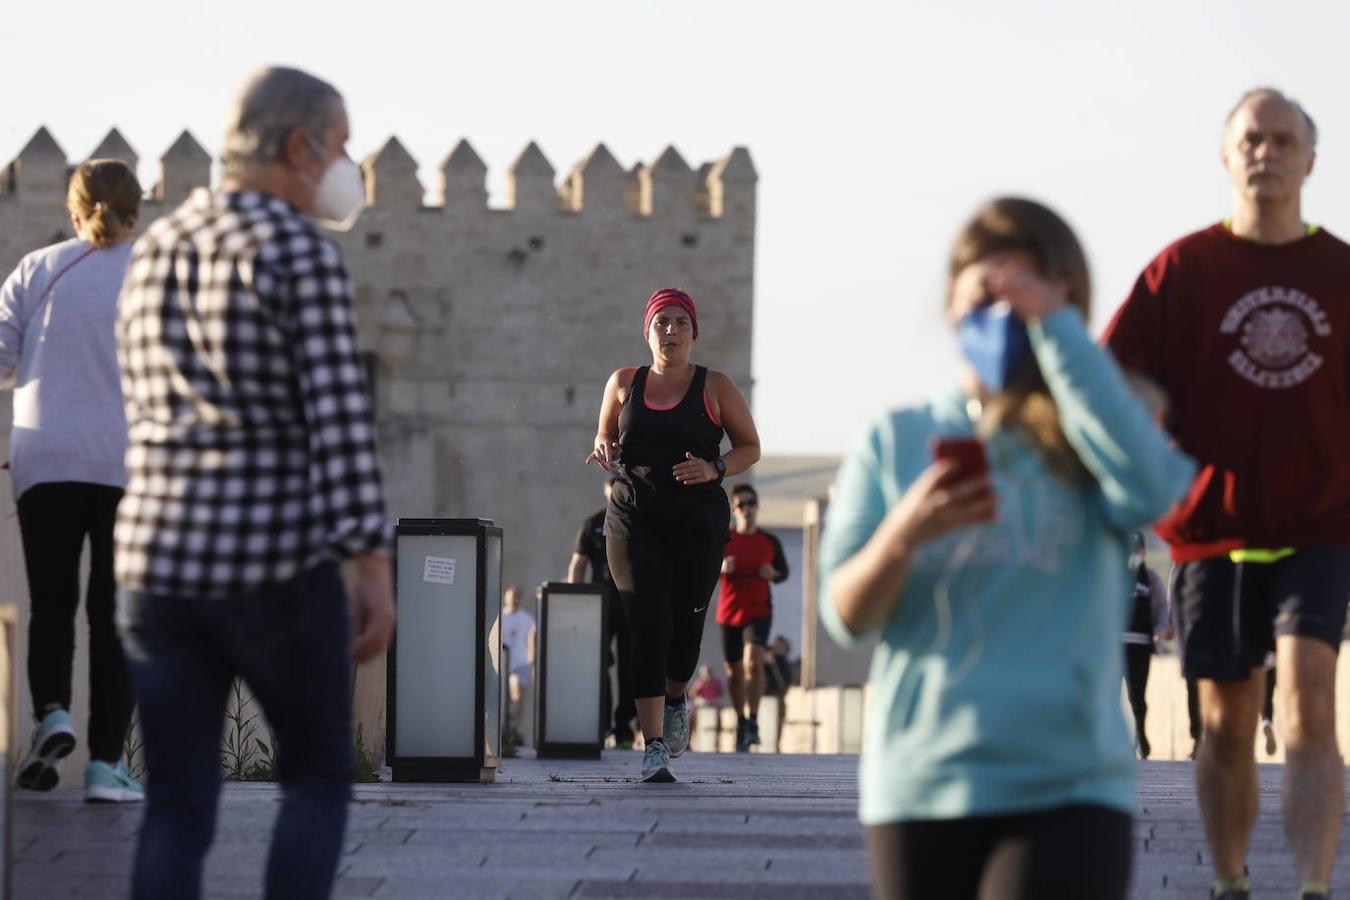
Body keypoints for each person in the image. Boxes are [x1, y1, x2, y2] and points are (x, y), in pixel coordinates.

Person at [820, 197, 1194, 900]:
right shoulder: (896, 436)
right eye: (988, 294)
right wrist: (903, 534)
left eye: (1028, 297)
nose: (1004, 317)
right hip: (924, 782)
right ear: (952, 304)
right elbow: (847, 615)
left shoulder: (1097, 435)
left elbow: (1158, 492)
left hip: (1070, 783)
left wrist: (1061, 342)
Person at [114, 66, 396, 900]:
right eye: (342, 146)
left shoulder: (157, 245)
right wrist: (371, 565)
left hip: (155, 565)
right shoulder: (299, 252)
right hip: (269, 563)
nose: (349, 168)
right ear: (300, 146)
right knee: (313, 781)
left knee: (174, 809)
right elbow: (340, 423)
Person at [1104, 87, 1350, 900]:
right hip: (1211, 530)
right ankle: (1231, 882)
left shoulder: (1341, 272)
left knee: (1313, 709)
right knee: (1226, 720)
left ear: (1310, 159)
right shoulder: (1183, 270)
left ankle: (1316, 887)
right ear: (1226, 154)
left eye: (1284, 141)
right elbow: (1111, 383)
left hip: (1322, 526)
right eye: (1252, 139)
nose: (1266, 153)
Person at [0, 159, 144, 802]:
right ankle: (105, 766)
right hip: (129, 466)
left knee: (51, 603)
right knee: (114, 619)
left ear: (73, 208)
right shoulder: (155, 275)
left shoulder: (35, 269)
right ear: (137, 211)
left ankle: (52, 716)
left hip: (45, 458)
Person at [585, 287, 761, 782]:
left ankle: (678, 694)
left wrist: (717, 467)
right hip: (633, 519)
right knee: (646, 627)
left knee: (685, 631)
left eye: (681, 323)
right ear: (648, 331)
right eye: (662, 322)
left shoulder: (715, 387)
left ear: (694, 333)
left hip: (697, 524)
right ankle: (653, 744)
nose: (671, 331)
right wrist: (604, 445)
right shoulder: (623, 382)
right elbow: (606, 433)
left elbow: (751, 447)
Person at [717, 482, 788, 751]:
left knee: (753, 661)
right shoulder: (725, 538)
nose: (747, 508)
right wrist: (721, 567)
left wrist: (774, 574)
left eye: (751, 503)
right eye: (741, 504)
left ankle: (754, 720)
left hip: (759, 610)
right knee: (734, 672)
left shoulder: (769, 542)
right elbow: (704, 569)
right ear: (734, 510)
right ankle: (741, 721)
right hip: (729, 612)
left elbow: (783, 573)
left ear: (757, 506)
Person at [567, 478, 637, 746]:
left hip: (630, 603)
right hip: (600, 605)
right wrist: (574, 602)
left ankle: (624, 727)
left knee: (631, 668)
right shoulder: (593, 523)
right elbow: (578, 564)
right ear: (606, 490)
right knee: (598, 665)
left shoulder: (635, 520)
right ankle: (603, 724)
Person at [1122, 531, 1169, 759]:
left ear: (1144, 551)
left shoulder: (1150, 578)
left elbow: (1161, 605)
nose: (1134, 554)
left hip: (1140, 644)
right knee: (1111, 696)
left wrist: (1162, 627)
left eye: (1138, 550)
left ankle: (1141, 735)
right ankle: (1118, 743)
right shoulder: (1114, 576)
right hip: (1115, 645)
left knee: (1137, 695)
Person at [500, 585, 537, 741]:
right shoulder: (500, 617)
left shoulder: (526, 618)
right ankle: (503, 730)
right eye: (511, 596)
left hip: (520, 665)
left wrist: (532, 662)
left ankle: (512, 730)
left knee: (517, 700)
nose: (513, 599)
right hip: (502, 666)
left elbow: (531, 640)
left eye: (516, 596)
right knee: (503, 700)